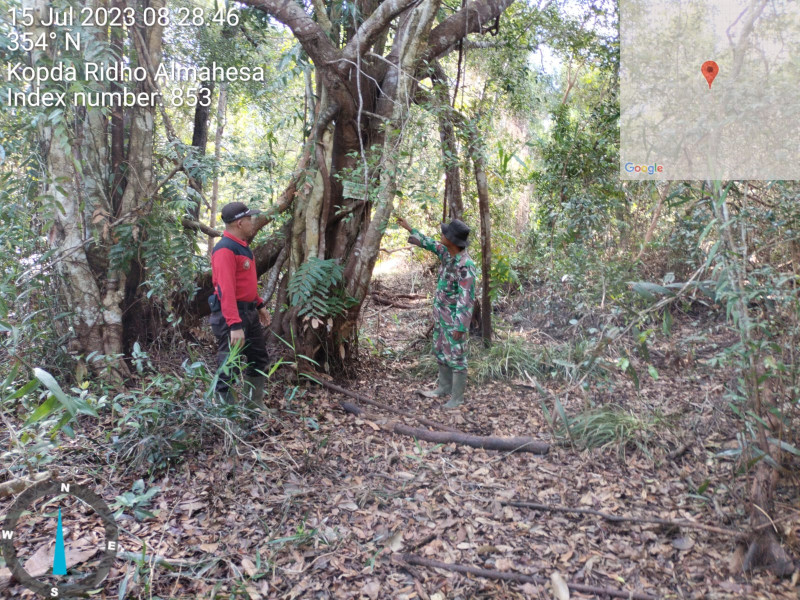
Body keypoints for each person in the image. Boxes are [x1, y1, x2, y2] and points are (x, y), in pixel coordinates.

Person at [396, 216, 476, 408]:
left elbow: (467, 297)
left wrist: (461, 326)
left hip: (455, 317)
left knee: (457, 354)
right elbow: (429, 243)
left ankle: (457, 398)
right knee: (440, 348)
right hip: (441, 314)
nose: (441, 235)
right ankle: (444, 387)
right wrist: (410, 228)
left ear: (454, 241)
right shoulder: (446, 254)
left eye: (445, 234)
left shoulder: (465, 265)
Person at [209, 202, 272, 409]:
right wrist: (234, 325)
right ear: (239, 222)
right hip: (232, 316)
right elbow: (225, 290)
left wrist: (259, 304)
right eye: (250, 219)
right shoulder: (225, 249)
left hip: (248, 312)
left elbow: (245, 284)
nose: (253, 222)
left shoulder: (242, 247)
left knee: (259, 358)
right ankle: (226, 415)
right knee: (229, 366)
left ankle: (253, 408)